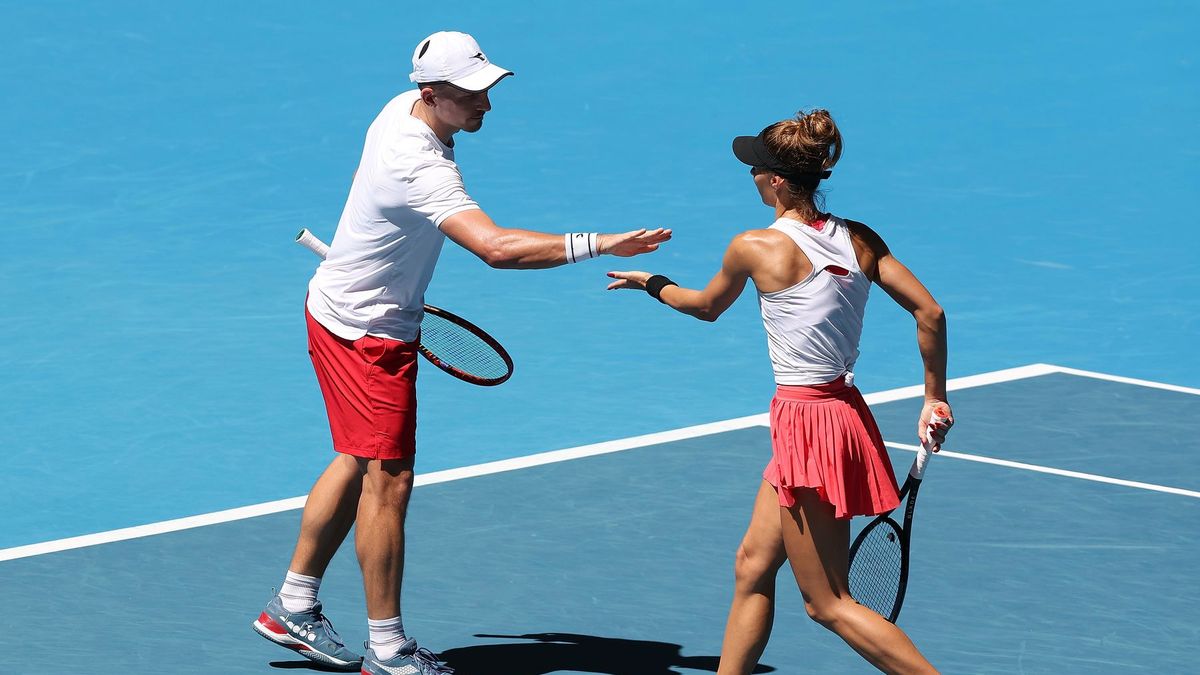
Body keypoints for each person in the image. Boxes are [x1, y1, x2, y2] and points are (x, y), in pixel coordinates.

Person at [251, 31, 671, 675]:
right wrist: (601, 243)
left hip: (337, 308)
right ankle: (388, 650)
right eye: (473, 95)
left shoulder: (400, 106)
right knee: (389, 484)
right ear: (432, 93)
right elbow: (497, 249)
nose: (487, 106)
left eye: (487, 89)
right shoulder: (419, 165)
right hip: (369, 335)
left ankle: (293, 603)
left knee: (358, 457)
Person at [606, 109, 951, 674]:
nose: (751, 177)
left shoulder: (755, 246)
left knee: (829, 604)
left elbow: (705, 307)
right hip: (841, 414)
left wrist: (652, 281)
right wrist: (934, 396)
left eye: (756, 169)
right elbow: (930, 312)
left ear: (778, 182)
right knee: (752, 565)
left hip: (807, 425)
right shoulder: (860, 239)